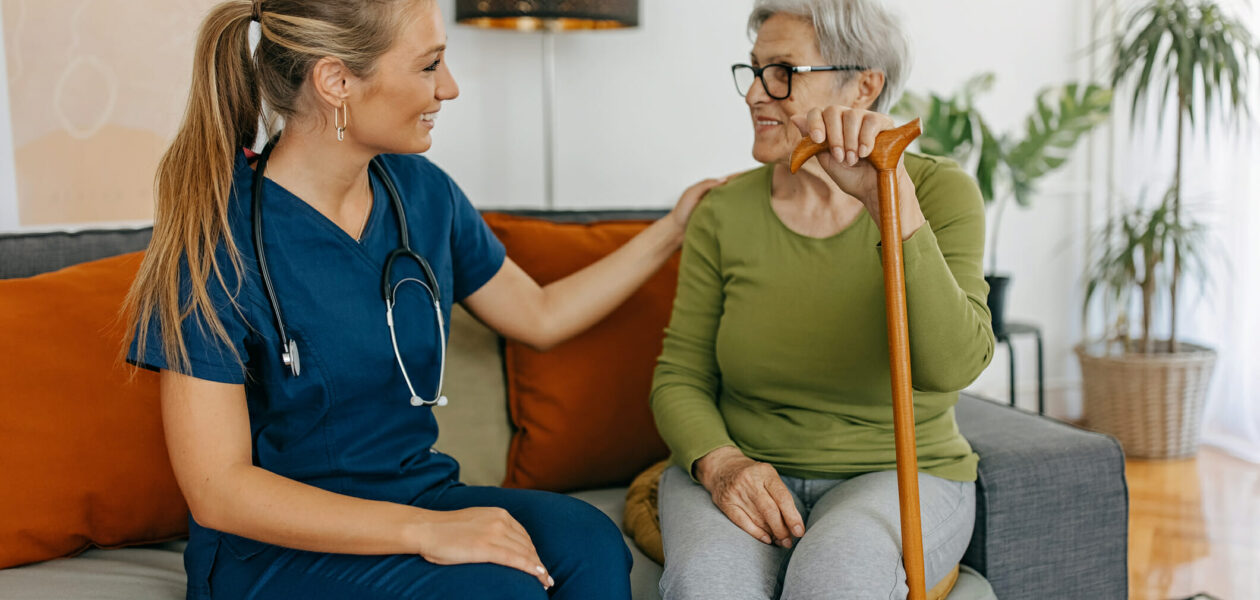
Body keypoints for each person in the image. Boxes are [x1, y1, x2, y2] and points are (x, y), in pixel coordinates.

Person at [123, 1, 721, 598]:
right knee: (496, 589)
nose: (451, 88)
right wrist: (424, 531)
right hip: (277, 547)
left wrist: (671, 229)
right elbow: (219, 490)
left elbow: (539, 315)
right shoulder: (216, 241)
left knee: (587, 540)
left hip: (417, 492)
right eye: (430, 65)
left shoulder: (420, 192)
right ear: (336, 81)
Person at [650, 0, 995, 598]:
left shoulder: (939, 193)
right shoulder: (723, 212)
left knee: (838, 577)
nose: (756, 93)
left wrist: (888, 199)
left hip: (895, 474)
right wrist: (722, 462)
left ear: (863, 86)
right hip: (746, 466)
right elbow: (679, 375)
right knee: (707, 584)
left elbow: (949, 368)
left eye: (782, 71)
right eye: (753, 70)